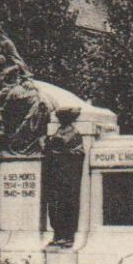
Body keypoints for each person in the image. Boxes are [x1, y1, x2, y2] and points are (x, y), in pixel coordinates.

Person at [42, 106, 85, 248]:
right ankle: (57, 234)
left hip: (68, 178)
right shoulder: (57, 132)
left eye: (63, 118)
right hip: (54, 176)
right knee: (54, 207)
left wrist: (62, 152)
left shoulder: (74, 133)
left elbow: (79, 153)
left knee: (67, 206)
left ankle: (67, 236)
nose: (60, 120)